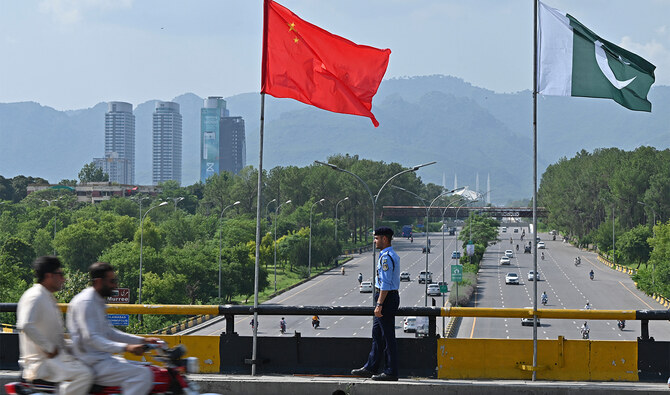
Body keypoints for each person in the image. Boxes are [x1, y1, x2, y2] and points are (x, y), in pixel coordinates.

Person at [67, 262, 161, 395]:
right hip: (92, 363)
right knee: (142, 375)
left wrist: (142, 340)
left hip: (103, 359)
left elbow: (110, 333)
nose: (115, 285)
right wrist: (126, 348)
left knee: (150, 369)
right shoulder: (86, 302)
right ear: (99, 281)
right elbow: (92, 338)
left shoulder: (97, 300)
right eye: (112, 281)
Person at [16, 256, 93, 395]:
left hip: (54, 360)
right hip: (42, 364)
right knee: (85, 375)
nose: (63, 279)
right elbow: (25, 324)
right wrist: (49, 348)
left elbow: (53, 337)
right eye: (60, 274)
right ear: (48, 276)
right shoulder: (34, 296)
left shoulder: (46, 296)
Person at [351, 227, 400, 381]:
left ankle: (391, 371)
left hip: (386, 297)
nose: (375, 241)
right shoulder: (388, 255)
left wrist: (379, 304)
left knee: (387, 336)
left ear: (385, 239)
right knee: (377, 335)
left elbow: (385, 284)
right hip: (386, 296)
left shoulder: (386, 257)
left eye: (377, 238)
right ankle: (371, 367)